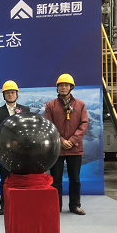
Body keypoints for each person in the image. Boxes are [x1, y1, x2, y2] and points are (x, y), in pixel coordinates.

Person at [45, 74, 88, 215]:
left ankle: (75, 205)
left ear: (71, 87)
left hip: (75, 149)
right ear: (57, 88)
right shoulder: (50, 105)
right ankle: (55, 206)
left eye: (66, 85)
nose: (63, 87)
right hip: (57, 149)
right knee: (55, 179)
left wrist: (73, 140)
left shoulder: (80, 104)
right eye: (61, 85)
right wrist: (62, 141)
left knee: (75, 179)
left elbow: (84, 124)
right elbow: (49, 125)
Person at [0, 80, 30, 215]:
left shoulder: (25, 110)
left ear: (17, 94)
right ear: (4, 95)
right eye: (7, 93)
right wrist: (11, 141)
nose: (10, 95)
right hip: (5, 151)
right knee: (5, 179)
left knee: (22, 179)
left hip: (23, 151)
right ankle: (4, 205)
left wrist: (19, 142)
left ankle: (22, 205)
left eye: (12, 92)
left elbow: (28, 130)